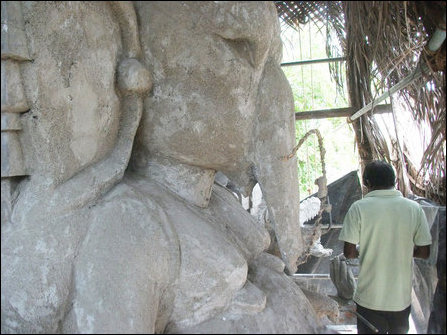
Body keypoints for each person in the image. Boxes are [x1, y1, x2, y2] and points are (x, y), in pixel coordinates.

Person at [339, 160, 432, 334]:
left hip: (369, 298)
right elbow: (425, 252)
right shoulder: (414, 208)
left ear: (367, 182)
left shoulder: (358, 208)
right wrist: (401, 249)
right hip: (400, 299)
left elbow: (349, 252)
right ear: (394, 181)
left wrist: (369, 248)